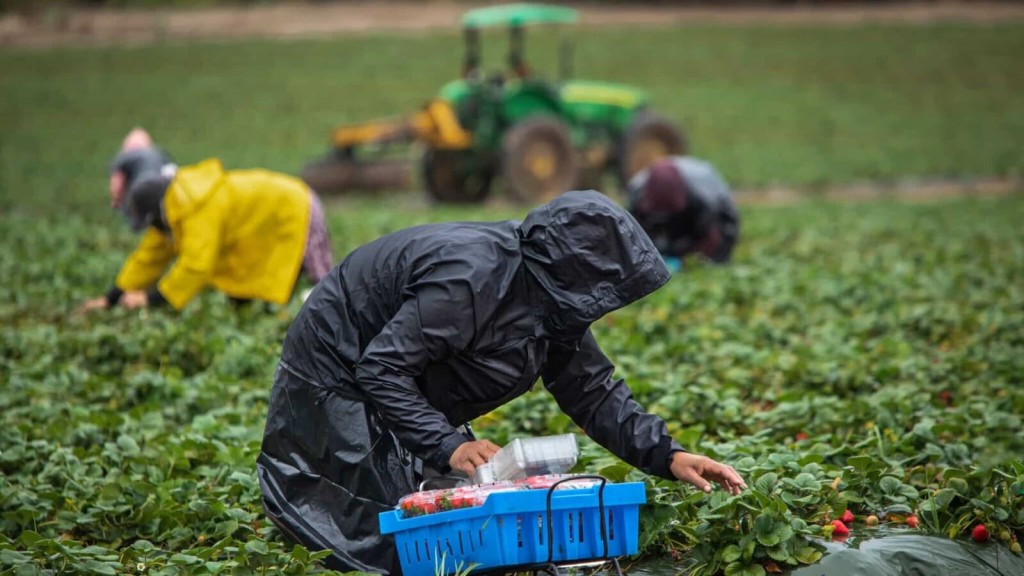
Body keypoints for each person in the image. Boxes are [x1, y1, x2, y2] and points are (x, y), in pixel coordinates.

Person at [256, 190, 747, 575]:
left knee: (443, 503)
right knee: (383, 531)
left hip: (401, 368)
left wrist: (669, 455)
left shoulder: (554, 302)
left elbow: (592, 391)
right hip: (336, 360)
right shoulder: (470, 280)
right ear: (573, 272)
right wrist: (447, 444)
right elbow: (381, 368)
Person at [79, 157, 334, 312]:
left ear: (156, 213)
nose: (153, 230)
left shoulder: (199, 207)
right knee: (249, 296)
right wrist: (111, 297)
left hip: (297, 207)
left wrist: (151, 299)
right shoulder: (173, 209)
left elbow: (197, 265)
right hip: (265, 221)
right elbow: (149, 256)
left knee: (321, 285)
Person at [626, 156, 740, 272]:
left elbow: (718, 230)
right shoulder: (637, 189)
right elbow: (633, 235)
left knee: (717, 255)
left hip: (704, 203)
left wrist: (700, 258)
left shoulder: (705, 193)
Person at [107, 127, 177, 220]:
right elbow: (173, 172)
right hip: (164, 190)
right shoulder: (160, 153)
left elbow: (117, 182)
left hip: (141, 189)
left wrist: (116, 201)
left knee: (139, 219)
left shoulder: (124, 156)